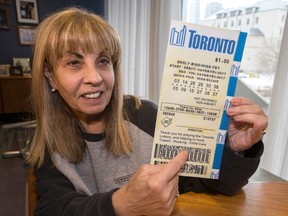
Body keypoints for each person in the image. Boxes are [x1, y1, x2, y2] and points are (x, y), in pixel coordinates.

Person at [26, 7, 268, 216]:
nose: (95, 77)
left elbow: (218, 184)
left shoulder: (146, 117)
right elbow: (53, 208)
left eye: (103, 61)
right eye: (74, 63)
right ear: (50, 76)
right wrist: (121, 203)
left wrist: (233, 150)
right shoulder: (50, 143)